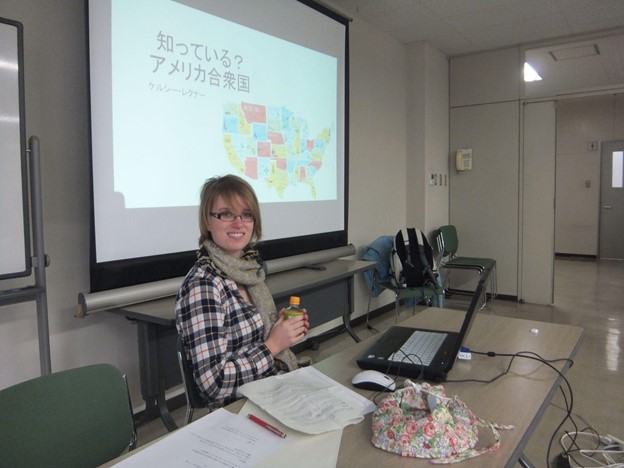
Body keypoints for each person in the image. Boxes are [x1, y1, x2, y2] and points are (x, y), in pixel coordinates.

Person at [175, 174, 310, 411]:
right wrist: (273, 346)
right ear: (207, 221)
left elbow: (252, 338)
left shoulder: (249, 273)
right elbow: (214, 385)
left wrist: (281, 328)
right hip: (239, 409)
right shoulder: (203, 286)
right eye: (226, 214)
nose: (239, 223)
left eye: (246, 214)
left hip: (272, 390)